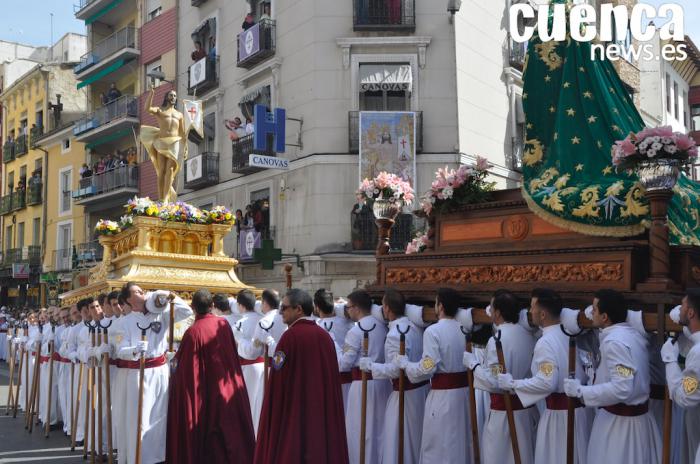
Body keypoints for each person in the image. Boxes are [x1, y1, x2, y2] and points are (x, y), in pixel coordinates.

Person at [564, 289, 662, 464]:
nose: (590, 313)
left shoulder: (615, 343)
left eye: (594, 309)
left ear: (605, 317)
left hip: (620, 428)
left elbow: (623, 387)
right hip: (632, 422)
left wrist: (581, 391)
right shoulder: (632, 335)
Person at [497, 288, 593, 464]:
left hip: (560, 419)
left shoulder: (545, 342)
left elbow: (547, 382)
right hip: (578, 414)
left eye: (532, 307)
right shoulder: (567, 334)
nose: (529, 311)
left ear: (542, 315)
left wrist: (513, 384)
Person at [254, 289, 349, 464]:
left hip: (294, 410)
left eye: (285, 307)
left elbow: (278, 379)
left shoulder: (289, 337)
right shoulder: (324, 337)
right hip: (321, 409)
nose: (281, 311)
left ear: (298, 309)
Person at [167, 290, 255, 464]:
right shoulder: (223, 324)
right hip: (227, 386)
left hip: (205, 392)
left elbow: (185, 369)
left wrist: (172, 361)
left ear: (193, 308)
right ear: (212, 306)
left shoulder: (192, 332)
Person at [116, 283, 193, 464]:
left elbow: (186, 312)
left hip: (159, 371)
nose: (141, 291)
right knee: (140, 417)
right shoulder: (124, 322)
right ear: (128, 299)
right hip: (138, 373)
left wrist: (166, 294)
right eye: (136, 291)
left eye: (141, 289)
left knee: (160, 415)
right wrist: (134, 349)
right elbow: (120, 350)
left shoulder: (161, 313)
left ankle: (159, 457)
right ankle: (139, 457)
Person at [395, 288, 472, 463]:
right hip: (463, 396)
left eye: (436, 303)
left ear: (441, 306)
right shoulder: (464, 330)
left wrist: (405, 364)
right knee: (459, 442)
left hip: (442, 398)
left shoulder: (433, 331)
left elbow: (428, 367)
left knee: (439, 445)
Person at [469, 289, 539, 464]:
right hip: (524, 413)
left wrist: (474, 365)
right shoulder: (527, 336)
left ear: (498, 312)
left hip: (503, 414)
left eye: (491, 308)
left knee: (498, 456)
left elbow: (495, 381)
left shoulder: (496, 340)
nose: (489, 311)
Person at [363, 289, 427, 464]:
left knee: (398, 439)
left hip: (404, 394)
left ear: (387, 308)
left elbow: (395, 369)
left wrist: (371, 367)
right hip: (420, 393)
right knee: (414, 438)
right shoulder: (416, 328)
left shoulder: (394, 334)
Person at [339, 289, 390, 464]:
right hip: (382, 384)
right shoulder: (382, 326)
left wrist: (334, 352)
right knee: (379, 429)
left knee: (360, 430)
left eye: (348, 307)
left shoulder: (355, 331)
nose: (347, 311)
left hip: (362, 386)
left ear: (356, 308)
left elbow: (345, 364)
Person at [662, 289, 700, 463]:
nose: (680, 310)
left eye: (683, 306)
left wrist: (670, 361)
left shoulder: (697, 352)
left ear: (691, 312)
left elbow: (686, 397)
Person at [140, 87, 188, 203]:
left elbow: (182, 132)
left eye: (175, 96)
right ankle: (161, 197)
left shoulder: (179, 115)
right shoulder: (160, 110)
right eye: (171, 95)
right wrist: (151, 93)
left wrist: (185, 146)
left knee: (170, 170)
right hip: (161, 141)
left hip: (175, 142)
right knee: (161, 170)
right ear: (166, 97)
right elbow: (147, 108)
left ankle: (166, 198)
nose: (173, 98)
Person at [314, 289, 353, 410]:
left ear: (316, 307)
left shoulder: (316, 326)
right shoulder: (347, 322)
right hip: (348, 380)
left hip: (325, 381)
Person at [232, 289, 264, 435]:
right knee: (260, 402)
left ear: (240, 305)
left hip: (248, 366)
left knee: (249, 402)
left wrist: (239, 340)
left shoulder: (239, 323)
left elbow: (236, 346)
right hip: (263, 365)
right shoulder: (262, 319)